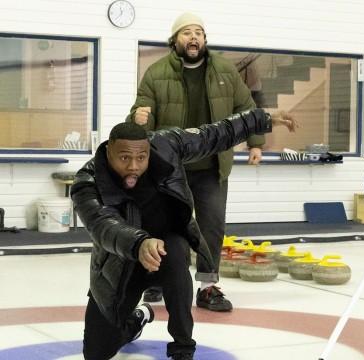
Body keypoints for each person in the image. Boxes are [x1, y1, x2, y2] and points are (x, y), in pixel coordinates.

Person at [72, 109, 297, 360]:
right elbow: (103, 226)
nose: (133, 166)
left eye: (141, 157)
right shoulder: (87, 181)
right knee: (96, 353)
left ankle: (183, 348)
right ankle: (138, 319)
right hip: (121, 264)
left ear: (148, 151)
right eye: (124, 158)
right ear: (108, 152)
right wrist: (140, 243)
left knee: (176, 250)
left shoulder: (167, 145)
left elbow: (214, 135)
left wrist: (261, 119)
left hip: (168, 253)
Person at [128, 12, 267, 310]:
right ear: (175, 40)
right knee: (162, 224)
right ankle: (155, 280)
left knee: (211, 226)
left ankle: (207, 286)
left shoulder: (225, 71)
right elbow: (140, 113)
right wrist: (139, 119)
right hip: (168, 168)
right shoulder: (156, 72)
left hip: (212, 167)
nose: (193, 38)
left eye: (198, 33)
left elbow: (247, 107)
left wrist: (255, 143)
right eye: (187, 33)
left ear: (204, 39)